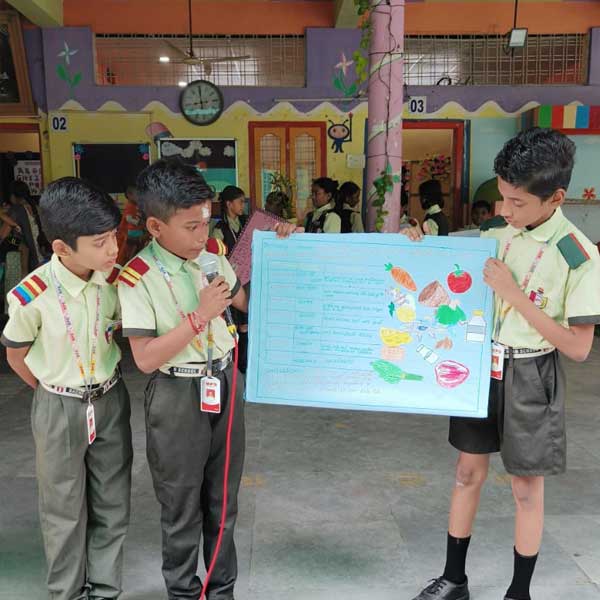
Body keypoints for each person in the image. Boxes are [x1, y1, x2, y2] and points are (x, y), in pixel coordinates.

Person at [405, 128, 600, 600]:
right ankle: (454, 579)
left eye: (517, 202)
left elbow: (578, 348)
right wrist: (417, 243)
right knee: (466, 473)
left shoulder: (578, 255)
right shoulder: (495, 231)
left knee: (525, 489)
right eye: (502, 197)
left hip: (532, 373)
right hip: (481, 366)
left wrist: (515, 295)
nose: (505, 210)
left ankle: (519, 592)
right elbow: (451, 266)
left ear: (556, 198)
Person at [117, 159, 250, 600]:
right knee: (181, 504)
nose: (200, 235)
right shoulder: (137, 278)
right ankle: (183, 592)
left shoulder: (212, 255)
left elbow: (245, 301)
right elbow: (145, 359)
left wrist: (278, 245)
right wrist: (199, 317)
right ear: (156, 226)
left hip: (224, 380)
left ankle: (221, 591)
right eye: (190, 227)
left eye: (206, 222)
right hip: (176, 392)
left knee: (223, 501)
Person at [1, 177, 133, 600]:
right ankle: (68, 592)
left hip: (110, 399)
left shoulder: (114, 280)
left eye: (113, 236)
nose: (112, 249)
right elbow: (16, 356)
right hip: (59, 403)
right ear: (62, 247)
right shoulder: (32, 295)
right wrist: (53, 392)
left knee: (112, 501)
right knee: (63, 508)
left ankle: (106, 589)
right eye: (100, 242)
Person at [213, 185, 250, 373]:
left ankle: (246, 365)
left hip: (248, 282)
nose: (243, 205)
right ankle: (235, 366)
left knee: (247, 325)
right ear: (229, 204)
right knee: (234, 326)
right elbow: (215, 259)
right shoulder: (220, 229)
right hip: (230, 285)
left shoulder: (246, 223)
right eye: (240, 202)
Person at [7, 180, 47, 273]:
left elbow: (2, 235)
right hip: (42, 257)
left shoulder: (16, 211)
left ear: (12, 196)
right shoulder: (35, 207)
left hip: (29, 261)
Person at [116, 184, 145, 266]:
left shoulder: (136, 205)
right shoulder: (130, 205)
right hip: (131, 232)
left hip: (135, 231)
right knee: (128, 251)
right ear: (130, 195)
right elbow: (128, 218)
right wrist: (138, 222)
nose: (139, 196)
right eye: (137, 194)